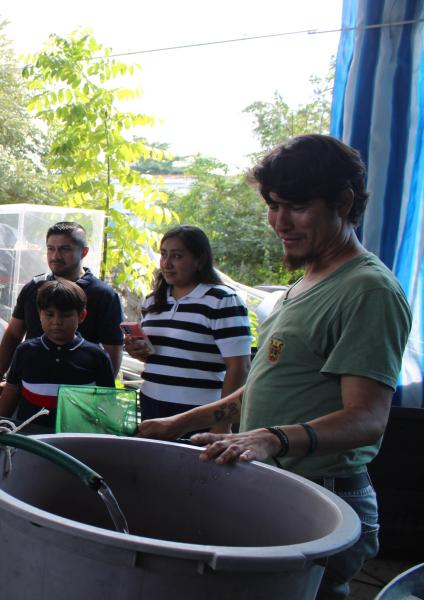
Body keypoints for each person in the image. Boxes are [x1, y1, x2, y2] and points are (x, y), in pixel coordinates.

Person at [138, 135, 412, 600]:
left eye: (297, 207)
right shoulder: (302, 284)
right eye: (273, 205)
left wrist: (269, 437)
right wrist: (177, 424)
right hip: (278, 485)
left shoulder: (368, 290)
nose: (279, 222)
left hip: (324, 499)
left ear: (344, 202)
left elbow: (367, 418)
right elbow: (265, 385)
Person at [126, 226, 251, 424]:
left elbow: (239, 366)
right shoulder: (152, 301)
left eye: (176, 256)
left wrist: (222, 422)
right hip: (151, 401)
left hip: (200, 411)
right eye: (163, 254)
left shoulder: (222, 300)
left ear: (199, 259)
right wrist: (139, 351)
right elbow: (164, 356)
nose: (166, 263)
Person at [0, 221, 124, 404]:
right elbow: (13, 333)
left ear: (84, 252)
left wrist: (99, 398)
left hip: (78, 397)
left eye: (64, 249)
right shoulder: (33, 288)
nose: (55, 256)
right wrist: (0, 376)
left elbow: (112, 351)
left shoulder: (104, 295)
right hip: (31, 391)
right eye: (50, 249)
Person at [0, 279, 115, 427]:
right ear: (40, 314)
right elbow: (12, 390)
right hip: (28, 440)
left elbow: (108, 404)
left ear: (82, 316)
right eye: (50, 314)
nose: (57, 322)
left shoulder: (97, 357)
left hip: (74, 443)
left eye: (65, 315)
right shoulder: (25, 352)